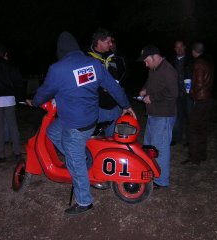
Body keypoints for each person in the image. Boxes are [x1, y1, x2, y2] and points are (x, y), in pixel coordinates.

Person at [26, 31, 136, 216]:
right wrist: (126, 105)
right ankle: (84, 157)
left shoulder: (57, 69)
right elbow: (113, 86)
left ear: (60, 50)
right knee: (52, 131)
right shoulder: (93, 63)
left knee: (74, 160)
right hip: (89, 117)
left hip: (76, 124)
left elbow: (44, 92)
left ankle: (84, 201)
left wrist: (35, 102)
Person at [136, 45, 178, 188]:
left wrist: (152, 97)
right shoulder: (154, 68)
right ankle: (151, 173)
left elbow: (173, 93)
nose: (145, 64)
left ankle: (161, 181)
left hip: (163, 115)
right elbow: (151, 83)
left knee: (160, 148)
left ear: (155, 56)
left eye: (147, 60)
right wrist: (144, 89)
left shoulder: (168, 70)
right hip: (153, 114)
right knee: (149, 146)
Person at [85, 28, 126, 136]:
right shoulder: (85, 58)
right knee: (92, 141)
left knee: (112, 140)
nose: (111, 44)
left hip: (113, 106)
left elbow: (122, 78)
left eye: (111, 41)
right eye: (108, 42)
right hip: (95, 108)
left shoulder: (114, 57)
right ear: (99, 42)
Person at [181, 42, 214, 166]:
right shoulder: (208, 62)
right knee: (202, 128)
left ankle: (194, 157)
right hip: (207, 99)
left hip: (200, 100)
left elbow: (199, 84)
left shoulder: (199, 63)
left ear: (194, 51)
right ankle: (202, 154)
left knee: (193, 128)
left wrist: (192, 94)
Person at [171, 40, 193, 146]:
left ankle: (189, 140)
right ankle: (176, 138)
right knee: (176, 117)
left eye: (181, 47)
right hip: (176, 94)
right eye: (177, 47)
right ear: (175, 49)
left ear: (184, 47)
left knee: (189, 117)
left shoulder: (190, 61)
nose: (179, 49)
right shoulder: (171, 61)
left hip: (189, 95)